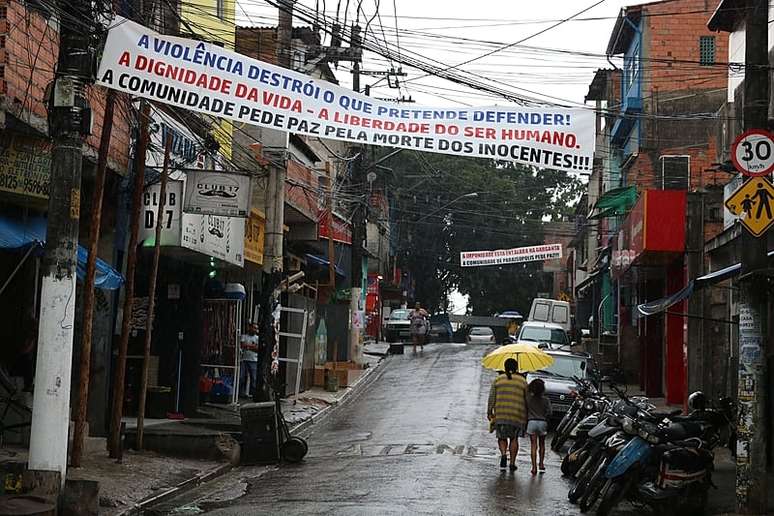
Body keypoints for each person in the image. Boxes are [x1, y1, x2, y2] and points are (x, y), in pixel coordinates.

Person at [487, 357, 528, 472]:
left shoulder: (498, 380)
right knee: (514, 438)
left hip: (501, 414)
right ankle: (512, 463)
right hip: (517, 415)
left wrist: (489, 411)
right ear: (516, 368)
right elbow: (527, 399)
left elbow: (492, 398)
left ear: (504, 367)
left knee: (501, 437)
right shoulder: (522, 381)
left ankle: (504, 454)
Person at [526, 378, 552, 475]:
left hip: (531, 422)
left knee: (533, 445)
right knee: (542, 444)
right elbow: (550, 412)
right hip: (542, 423)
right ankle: (541, 464)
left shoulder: (529, 399)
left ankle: (534, 467)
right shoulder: (546, 400)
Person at [239, 322, 261, 398]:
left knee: (254, 378)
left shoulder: (257, 338)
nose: (255, 330)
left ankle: (253, 394)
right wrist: (252, 346)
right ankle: (240, 393)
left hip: (254, 360)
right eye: (254, 328)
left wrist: (248, 347)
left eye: (256, 328)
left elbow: (258, 349)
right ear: (250, 328)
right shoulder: (244, 336)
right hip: (244, 359)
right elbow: (242, 345)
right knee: (241, 377)